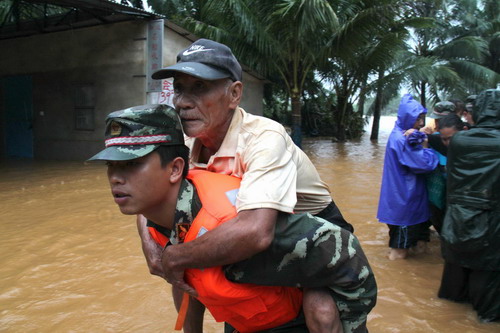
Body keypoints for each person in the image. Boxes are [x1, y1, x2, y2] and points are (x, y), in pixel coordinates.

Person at [89, 104, 377, 333]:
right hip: (247, 317)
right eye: (111, 166)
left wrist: (337, 320)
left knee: (323, 312)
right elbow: (188, 280)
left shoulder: (234, 221)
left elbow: (341, 248)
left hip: (294, 310)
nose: (115, 177)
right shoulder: (168, 198)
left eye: (132, 164)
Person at [139, 39, 358, 332]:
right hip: (244, 227)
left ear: (234, 94)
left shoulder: (265, 138)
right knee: (188, 254)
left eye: (200, 88)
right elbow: (147, 194)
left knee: (321, 311)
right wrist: (152, 248)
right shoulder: (185, 142)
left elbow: (256, 232)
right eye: (179, 89)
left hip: (313, 235)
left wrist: (173, 257)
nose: (182, 102)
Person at [438, 89, 500, 322]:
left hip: (456, 222)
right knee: (488, 298)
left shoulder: (460, 140)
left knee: (453, 290)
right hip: (492, 226)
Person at [377, 94, 439, 260]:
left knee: (419, 245)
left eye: (422, 118)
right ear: (407, 117)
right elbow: (425, 164)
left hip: (408, 202)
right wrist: (425, 144)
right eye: (417, 119)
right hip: (405, 203)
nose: (420, 123)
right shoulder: (402, 139)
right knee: (399, 251)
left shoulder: (402, 134)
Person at [425, 114, 466, 234]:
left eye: (451, 138)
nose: (448, 143)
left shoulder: (478, 146)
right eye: (444, 139)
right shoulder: (441, 142)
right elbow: (427, 138)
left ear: (464, 131)